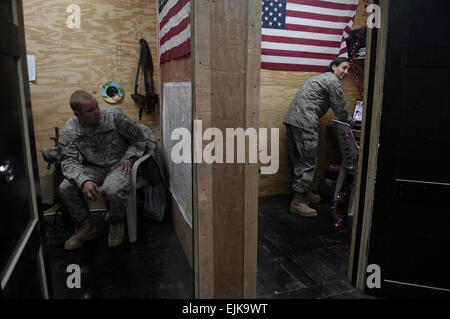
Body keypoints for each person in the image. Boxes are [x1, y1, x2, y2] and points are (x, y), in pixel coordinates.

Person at [58, 90, 148, 250]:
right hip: (92, 168)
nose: (97, 112)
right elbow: (68, 161)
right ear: (77, 114)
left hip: (118, 165)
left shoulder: (114, 117)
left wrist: (127, 158)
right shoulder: (69, 130)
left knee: (112, 189)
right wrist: (83, 180)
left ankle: (116, 222)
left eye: (97, 106)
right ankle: (86, 226)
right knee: (65, 188)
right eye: (91, 110)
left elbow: (139, 139)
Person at [283, 57, 352, 218]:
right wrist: (350, 121)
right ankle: (298, 202)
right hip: (305, 120)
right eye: (344, 68)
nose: (346, 72)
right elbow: (340, 108)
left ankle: (304, 193)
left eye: (348, 69)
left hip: (292, 119)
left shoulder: (318, 78)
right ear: (333, 67)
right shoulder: (332, 80)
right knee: (308, 160)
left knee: (300, 159)